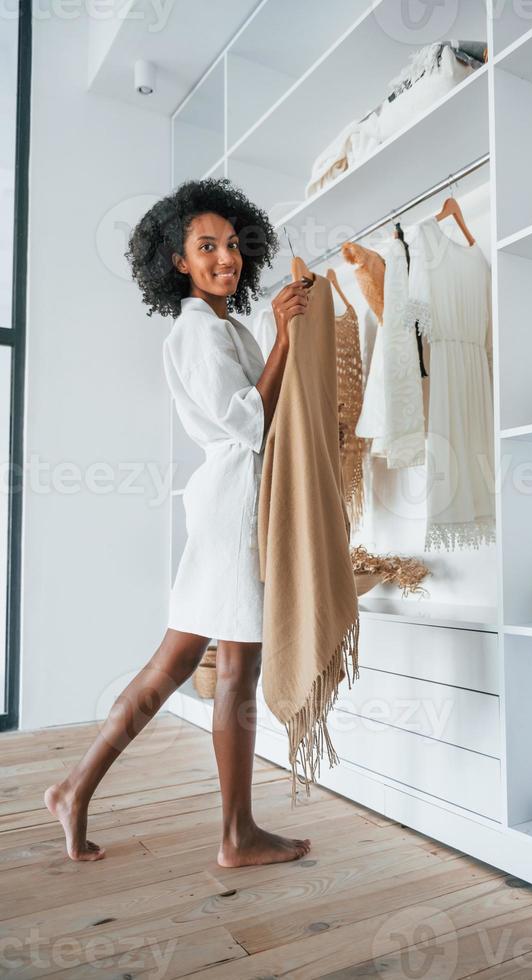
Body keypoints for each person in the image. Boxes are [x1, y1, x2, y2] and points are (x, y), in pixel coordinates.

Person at [44, 177, 315, 867]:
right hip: (234, 510)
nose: (225, 257)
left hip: (228, 505)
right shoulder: (198, 332)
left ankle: (75, 789)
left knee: (174, 664)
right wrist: (283, 335)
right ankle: (236, 835)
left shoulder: (221, 327)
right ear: (178, 262)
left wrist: (280, 337)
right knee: (235, 672)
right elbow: (246, 421)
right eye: (206, 247)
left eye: (232, 244)